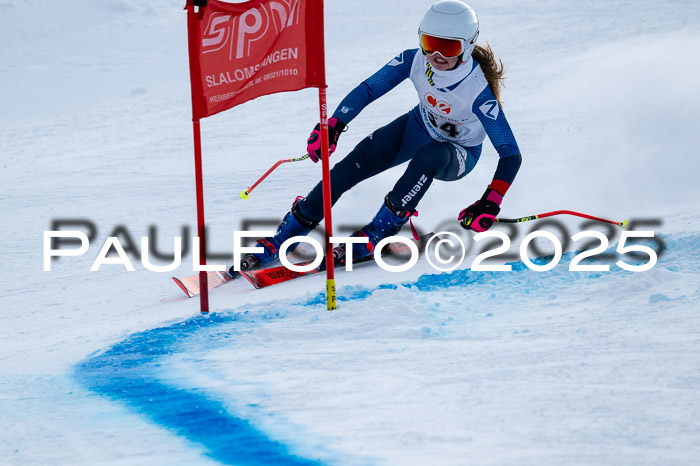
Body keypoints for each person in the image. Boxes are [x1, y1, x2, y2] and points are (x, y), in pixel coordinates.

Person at [237, 0, 521, 272]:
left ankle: (379, 232)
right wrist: (334, 125)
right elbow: (370, 89)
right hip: (418, 127)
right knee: (349, 167)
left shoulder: (478, 92)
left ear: (467, 46)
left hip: (458, 152)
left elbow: (510, 154)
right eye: (430, 44)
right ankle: (283, 238)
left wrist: (490, 200)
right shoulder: (414, 60)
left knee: (428, 156)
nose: (436, 56)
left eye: (448, 47)